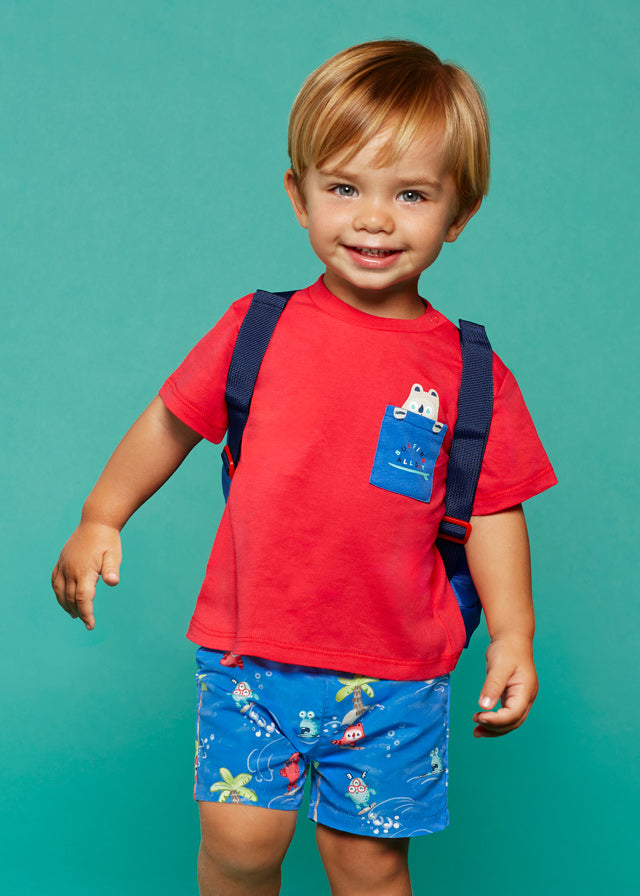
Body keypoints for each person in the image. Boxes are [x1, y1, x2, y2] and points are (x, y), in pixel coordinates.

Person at [52, 39, 557, 896]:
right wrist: (102, 515)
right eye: (344, 188)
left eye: (411, 194)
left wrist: (515, 634)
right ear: (299, 196)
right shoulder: (258, 327)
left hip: (396, 672)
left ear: (459, 212)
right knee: (241, 844)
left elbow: (495, 509)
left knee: (368, 865)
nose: (373, 219)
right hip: (250, 654)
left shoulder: (471, 373)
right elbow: (170, 421)